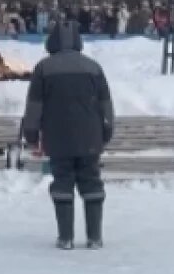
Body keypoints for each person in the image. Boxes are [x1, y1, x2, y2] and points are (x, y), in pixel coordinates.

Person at [21, 21, 114, 250]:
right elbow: (107, 105)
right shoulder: (94, 68)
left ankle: (66, 238)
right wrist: (106, 131)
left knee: (62, 182)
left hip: (57, 138)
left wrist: (31, 135)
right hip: (91, 137)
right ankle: (94, 237)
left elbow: (34, 107)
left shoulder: (44, 68)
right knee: (92, 182)